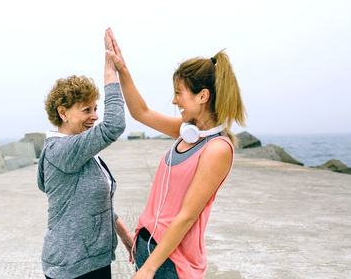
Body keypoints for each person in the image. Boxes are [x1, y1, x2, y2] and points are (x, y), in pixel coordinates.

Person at [104, 28, 246, 279]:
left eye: (179, 93)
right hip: (147, 250)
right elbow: (142, 113)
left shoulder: (216, 149)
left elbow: (187, 216)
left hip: (171, 263)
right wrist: (122, 70)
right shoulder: (187, 132)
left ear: (203, 96)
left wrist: (149, 269)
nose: (174, 101)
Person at [37, 35, 134, 279]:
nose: (94, 116)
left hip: (91, 261)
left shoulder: (79, 151)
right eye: (86, 110)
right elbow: (113, 126)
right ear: (63, 112)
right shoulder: (62, 151)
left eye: (95, 109)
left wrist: (125, 236)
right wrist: (111, 73)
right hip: (73, 266)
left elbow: (89, 203)